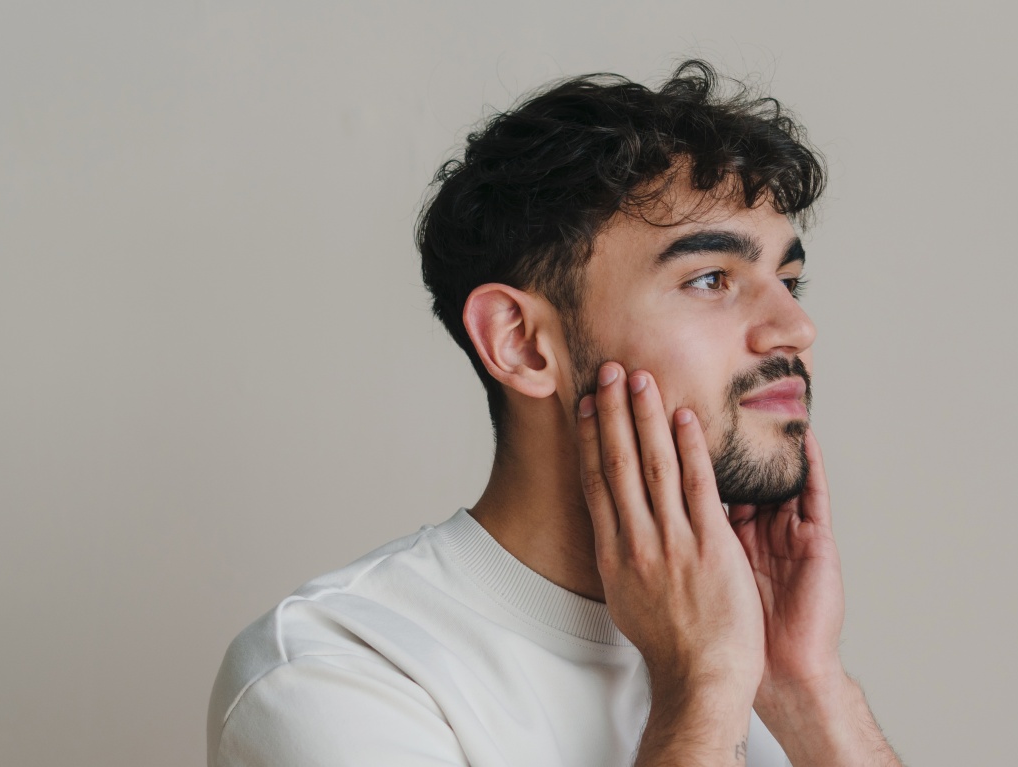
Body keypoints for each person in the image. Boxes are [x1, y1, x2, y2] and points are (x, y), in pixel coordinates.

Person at [208, 60, 905, 767]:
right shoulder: (330, 674)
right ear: (520, 343)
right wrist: (704, 683)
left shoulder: (767, 667)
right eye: (710, 279)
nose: (794, 326)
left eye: (788, 280)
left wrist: (807, 689)